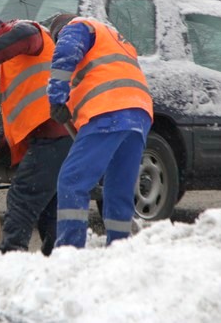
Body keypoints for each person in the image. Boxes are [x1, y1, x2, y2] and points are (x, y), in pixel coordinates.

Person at [0, 16, 72, 256]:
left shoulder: (22, 32)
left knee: (23, 196)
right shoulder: (12, 66)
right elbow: (16, 118)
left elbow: (22, 36)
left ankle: (10, 255)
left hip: (53, 136)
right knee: (49, 209)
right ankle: (57, 260)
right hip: (56, 137)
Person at [46, 14, 153, 248]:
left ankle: (69, 249)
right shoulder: (114, 40)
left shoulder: (77, 26)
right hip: (138, 114)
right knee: (118, 188)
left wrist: (56, 97)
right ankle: (119, 247)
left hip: (109, 111)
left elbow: (66, 51)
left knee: (72, 180)